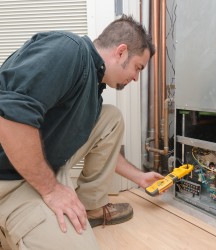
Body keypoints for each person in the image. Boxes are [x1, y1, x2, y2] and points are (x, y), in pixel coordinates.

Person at [0, 15, 163, 249]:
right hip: (10, 179)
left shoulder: (92, 84)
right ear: (121, 52)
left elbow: (95, 140)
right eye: (138, 67)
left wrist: (139, 178)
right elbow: (10, 117)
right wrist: (52, 190)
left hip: (41, 165)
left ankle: (91, 208)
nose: (136, 78)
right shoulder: (69, 50)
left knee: (111, 118)